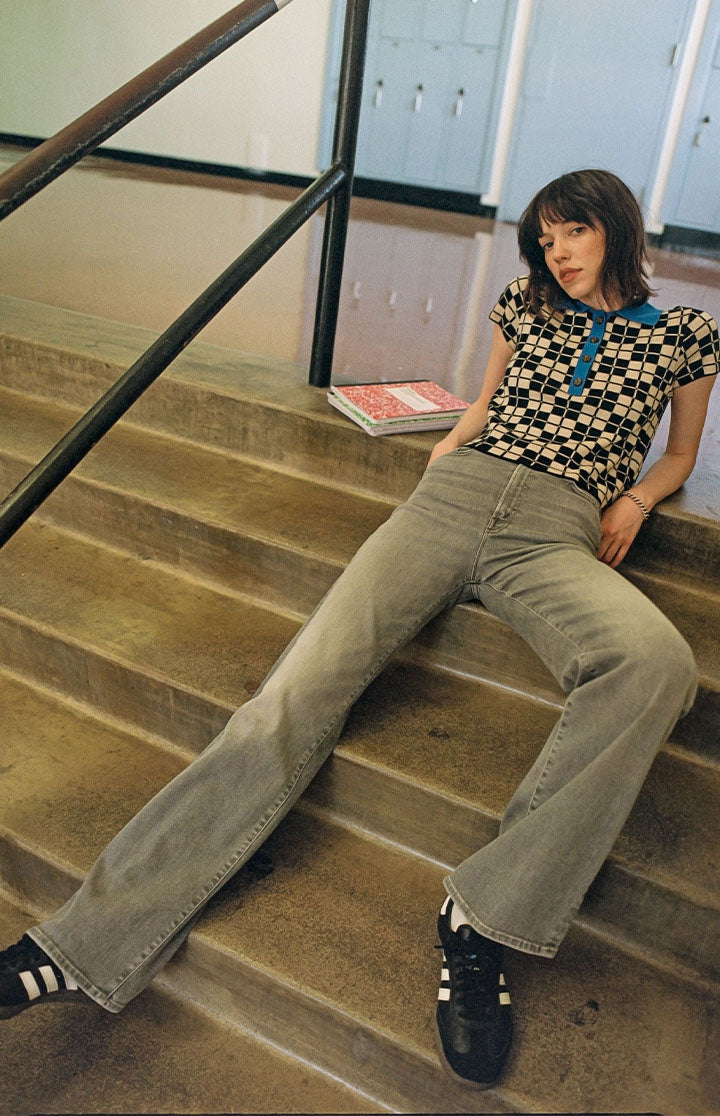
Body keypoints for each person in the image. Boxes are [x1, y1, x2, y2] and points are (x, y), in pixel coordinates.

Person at [0, 169, 717, 1090]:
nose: (556, 252)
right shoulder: (522, 304)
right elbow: (484, 407)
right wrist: (443, 460)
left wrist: (639, 498)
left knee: (657, 663)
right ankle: (78, 945)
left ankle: (484, 916)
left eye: (571, 231)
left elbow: (683, 452)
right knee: (288, 701)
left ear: (615, 225)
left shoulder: (685, 334)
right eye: (543, 239)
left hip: (556, 531)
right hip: (449, 504)